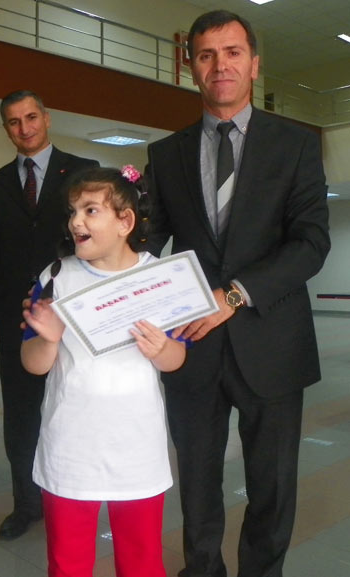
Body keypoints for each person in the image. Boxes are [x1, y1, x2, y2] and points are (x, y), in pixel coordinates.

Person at [146, 10, 330, 577]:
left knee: (272, 486)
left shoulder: (296, 144)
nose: (220, 65)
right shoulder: (166, 154)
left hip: (272, 342)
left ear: (254, 65)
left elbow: (311, 242)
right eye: (206, 55)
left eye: (232, 52)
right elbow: (145, 245)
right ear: (191, 68)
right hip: (192, 345)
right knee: (197, 482)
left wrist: (233, 295)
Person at [21, 166, 185, 577]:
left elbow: (176, 359)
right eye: (73, 211)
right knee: (68, 563)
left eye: (90, 210)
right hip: (70, 446)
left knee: (142, 561)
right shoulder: (56, 277)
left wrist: (162, 348)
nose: (76, 221)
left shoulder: (160, 277)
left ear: (125, 221)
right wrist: (49, 340)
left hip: (137, 446)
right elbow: (33, 363)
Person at [0, 89, 98, 540]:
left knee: (73, 406)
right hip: (15, 317)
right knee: (22, 415)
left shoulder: (82, 171)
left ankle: (75, 497)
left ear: (46, 118)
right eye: (14, 121)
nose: (24, 128)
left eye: (30, 117)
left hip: (72, 312)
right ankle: (26, 504)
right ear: (6, 128)